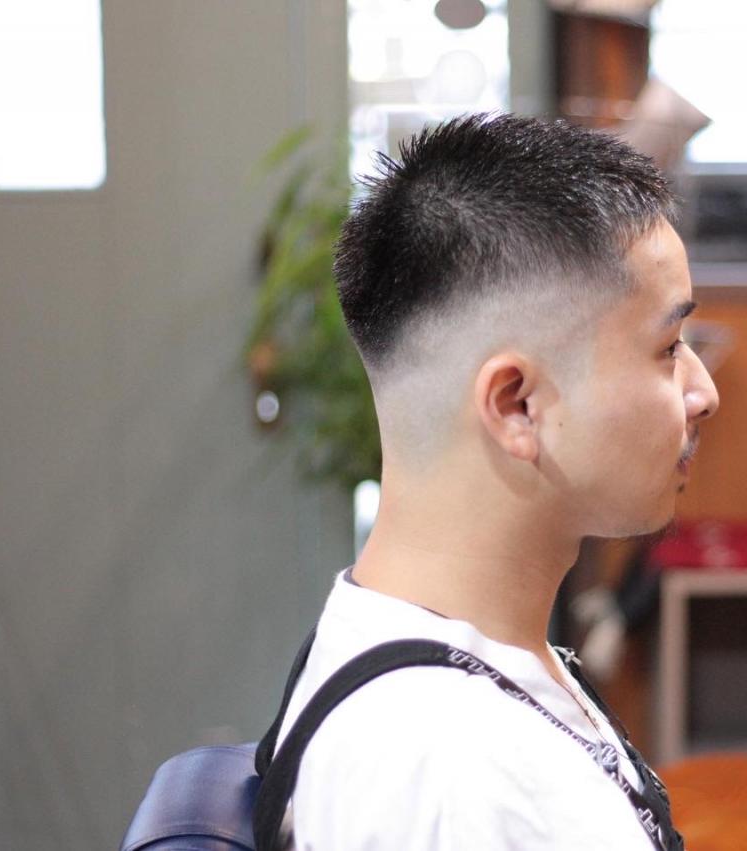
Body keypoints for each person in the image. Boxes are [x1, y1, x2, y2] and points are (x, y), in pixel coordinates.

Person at [275, 112, 719, 850]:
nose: (702, 392)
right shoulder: (463, 780)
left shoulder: (404, 645)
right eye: (669, 347)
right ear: (517, 404)